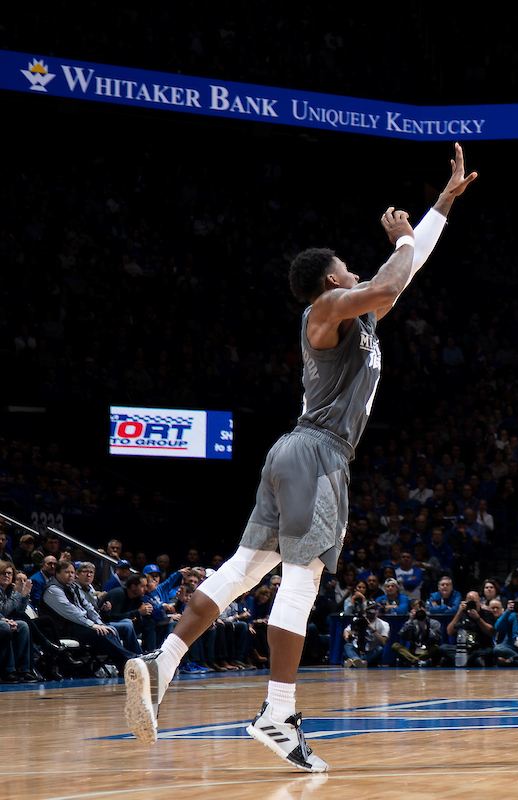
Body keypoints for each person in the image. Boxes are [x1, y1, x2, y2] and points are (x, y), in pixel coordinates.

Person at [121, 145, 476, 772]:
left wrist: (441, 205)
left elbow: (404, 273)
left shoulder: (355, 316)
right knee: (302, 580)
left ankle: (162, 662)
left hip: (294, 453)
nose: (355, 270)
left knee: (243, 569)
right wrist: (398, 239)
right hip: (318, 454)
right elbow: (393, 275)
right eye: (347, 267)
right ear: (333, 280)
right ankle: (277, 713)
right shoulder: (324, 309)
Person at [392, 599, 442, 667]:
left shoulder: (434, 623)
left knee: (436, 647)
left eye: (420, 610)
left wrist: (426, 629)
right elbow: (403, 636)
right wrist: (410, 621)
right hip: (413, 651)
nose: (419, 613)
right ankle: (417, 661)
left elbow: (436, 639)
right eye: (416, 610)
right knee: (395, 646)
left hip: (427, 651)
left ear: (425, 609)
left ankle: (412, 661)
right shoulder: (412, 623)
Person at [341, 601, 389, 669]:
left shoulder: (384, 624)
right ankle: (356, 660)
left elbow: (383, 642)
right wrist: (349, 636)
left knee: (379, 649)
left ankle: (354, 662)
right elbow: (346, 631)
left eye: (375, 609)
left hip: (371, 651)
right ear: (365, 611)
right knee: (347, 646)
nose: (374, 612)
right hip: (357, 649)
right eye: (371, 609)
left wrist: (371, 628)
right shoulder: (358, 620)